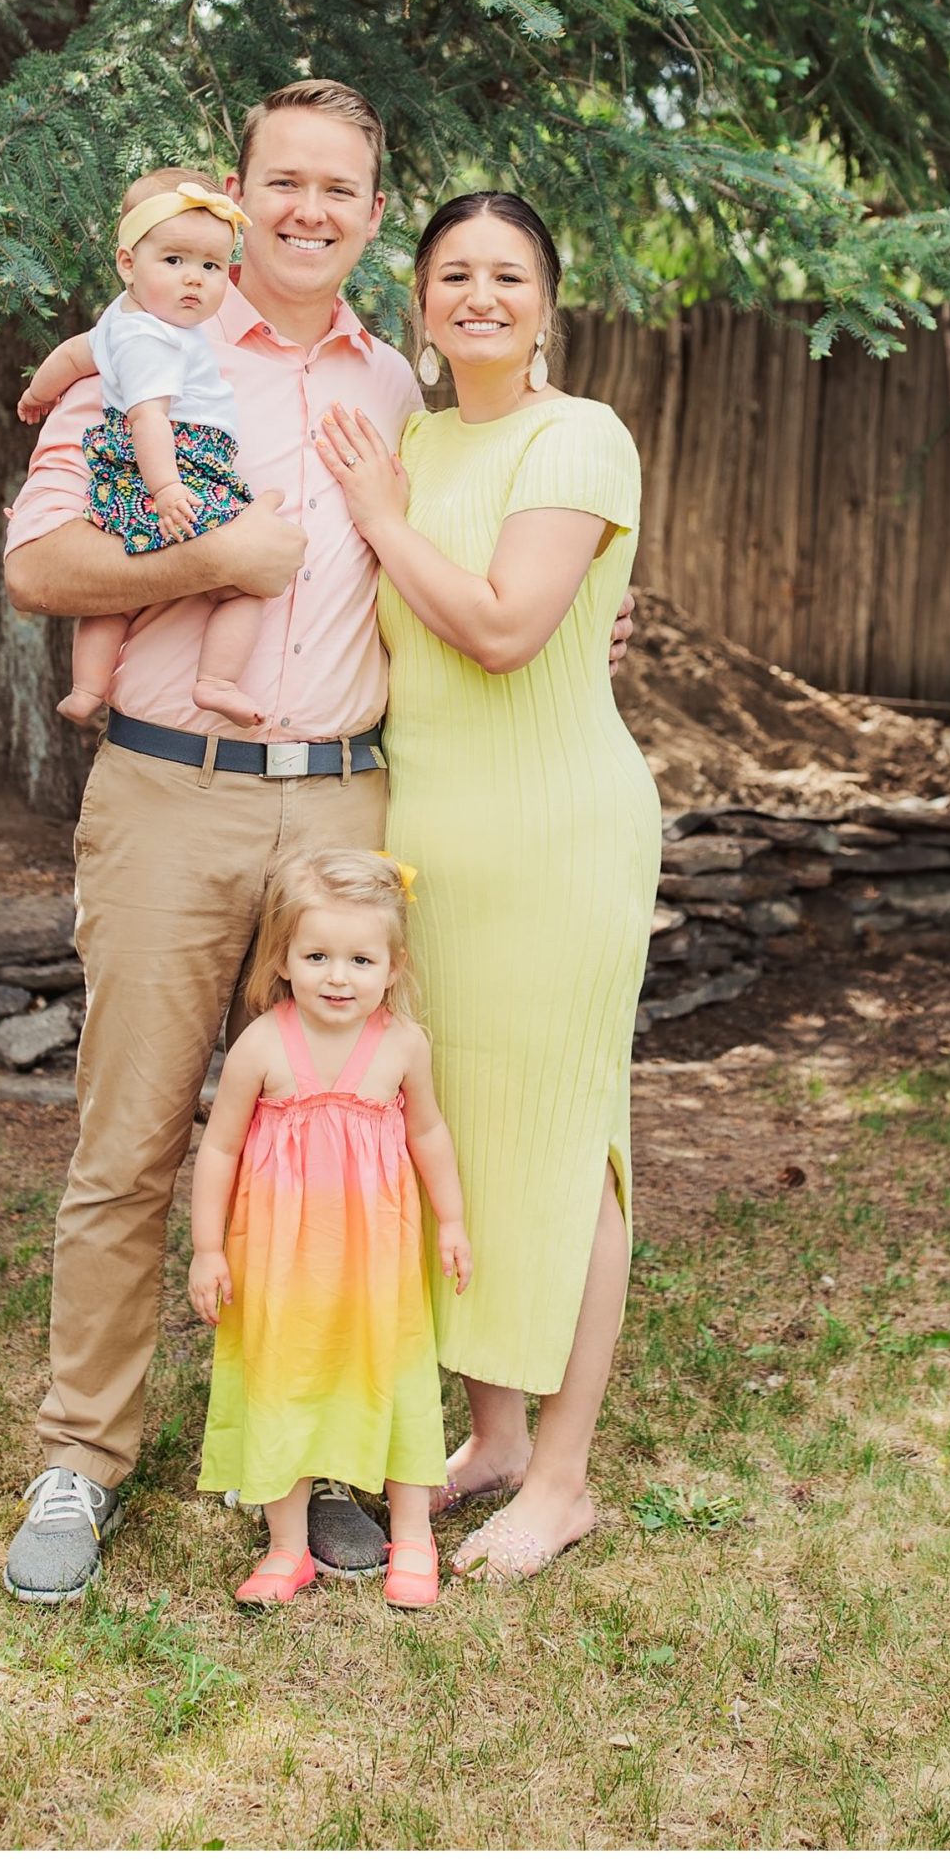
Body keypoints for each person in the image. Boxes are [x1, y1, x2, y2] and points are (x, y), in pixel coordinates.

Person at [0, 78, 416, 1602]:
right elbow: (40, 564)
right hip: (173, 791)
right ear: (239, 194)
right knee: (129, 1143)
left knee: (326, 1144)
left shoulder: (398, 390)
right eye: (283, 182)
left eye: (340, 189)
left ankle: (312, 1463)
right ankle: (81, 1457)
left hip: (351, 809)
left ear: (374, 213)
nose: (310, 210)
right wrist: (208, 551)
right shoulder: (151, 344)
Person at [312, 190, 660, 1583]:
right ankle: (496, 1436)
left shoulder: (577, 436)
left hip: (558, 834)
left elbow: (512, 631)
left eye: (506, 274)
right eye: (454, 273)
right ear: (421, 297)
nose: (479, 295)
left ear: (546, 299)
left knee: (566, 1137)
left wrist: (386, 524)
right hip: (432, 839)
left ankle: (563, 1476)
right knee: (459, 1128)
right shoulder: (409, 437)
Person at [188, 848, 469, 1612]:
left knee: (398, 1376)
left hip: (377, 1261)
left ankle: (413, 1537)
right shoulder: (264, 1045)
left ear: (392, 964)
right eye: (316, 956)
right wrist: (207, 1248)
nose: (337, 977)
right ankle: (287, 1547)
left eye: (359, 959)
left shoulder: (404, 1046)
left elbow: (430, 1136)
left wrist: (453, 1221)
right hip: (281, 1262)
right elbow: (218, 1148)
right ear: (283, 959)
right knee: (284, 1381)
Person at [17, 171, 269, 729]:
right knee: (246, 584)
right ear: (128, 264)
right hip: (179, 463)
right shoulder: (156, 340)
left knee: (116, 595)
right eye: (174, 261)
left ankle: (86, 689)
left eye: (210, 267)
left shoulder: (120, 322)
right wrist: (168, 488)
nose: (194, 281)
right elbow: (148, 418)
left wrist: (38, 392)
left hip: (119, 472)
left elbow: (74, 355)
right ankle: (216, 681)